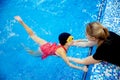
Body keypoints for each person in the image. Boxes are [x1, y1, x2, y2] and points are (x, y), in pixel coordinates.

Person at [14, 16, 87, 72]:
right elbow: (69, 64)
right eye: (71, 39)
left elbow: (77, 40)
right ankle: (23, 47)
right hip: (43, 50)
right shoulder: (62, 52)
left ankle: (21, 22)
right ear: (66, 42)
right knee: (33, 54)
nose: (73, 40)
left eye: (72, 38)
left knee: (33, 35)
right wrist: (81, 68)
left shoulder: (67, 43)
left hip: (47, 44)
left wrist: (86, 40)